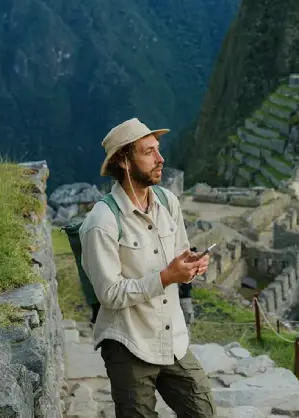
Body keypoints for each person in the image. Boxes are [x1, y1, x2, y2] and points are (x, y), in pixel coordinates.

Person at [79, 118, 216, 417]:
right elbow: (110, 294)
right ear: (125, 162)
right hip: (129, 344)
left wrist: (192, 263)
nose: (160, 158)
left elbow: (180, 250)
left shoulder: (168, 202)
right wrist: (168, 277)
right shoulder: (101, 223)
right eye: (149, 151)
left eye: (158, 149)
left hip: (172, 338)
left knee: (204, 413)